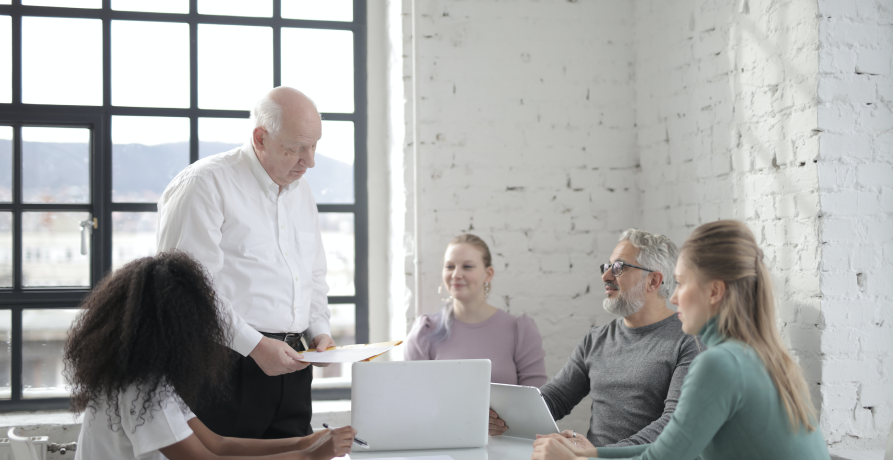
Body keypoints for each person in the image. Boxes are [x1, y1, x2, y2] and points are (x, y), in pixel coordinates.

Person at [532, 220, 830, 460]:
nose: (674, 296)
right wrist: (595, 454)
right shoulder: (756, 355)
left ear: (714, 292)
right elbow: (675, 443)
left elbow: (665, 454)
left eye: (683, 282)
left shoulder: (717, 362)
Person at [156, 87, 334, 439]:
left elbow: (312, 274)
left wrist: (321, 330)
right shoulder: (205, 184)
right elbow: (186, 292)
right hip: (224, 365)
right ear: (260, 138)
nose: (309, 160)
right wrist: (254, 346)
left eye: (314, 145)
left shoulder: (303, 191)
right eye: (296, 147)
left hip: (295, 363)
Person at [64, 252, 356, 460]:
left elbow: (218, 444)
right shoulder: (142, 391)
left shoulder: (140, 378)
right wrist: (309, 456)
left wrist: (309, 442)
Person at [490, 229, 701, 447]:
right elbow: (556, 398)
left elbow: (673, 423)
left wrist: (599, 455)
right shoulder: (596, 339)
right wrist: (503, 415)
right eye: (607, 266)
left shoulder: (689, 341)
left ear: (653, 281)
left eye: (618, 267)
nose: (606, 276)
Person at [404, 233, 548, 387]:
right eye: (449, 266)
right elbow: (412, 397)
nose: (456, 274)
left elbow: (535, 400)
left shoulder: (520, 331)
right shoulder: (424, 332)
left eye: (467, 266)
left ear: (488, 274)